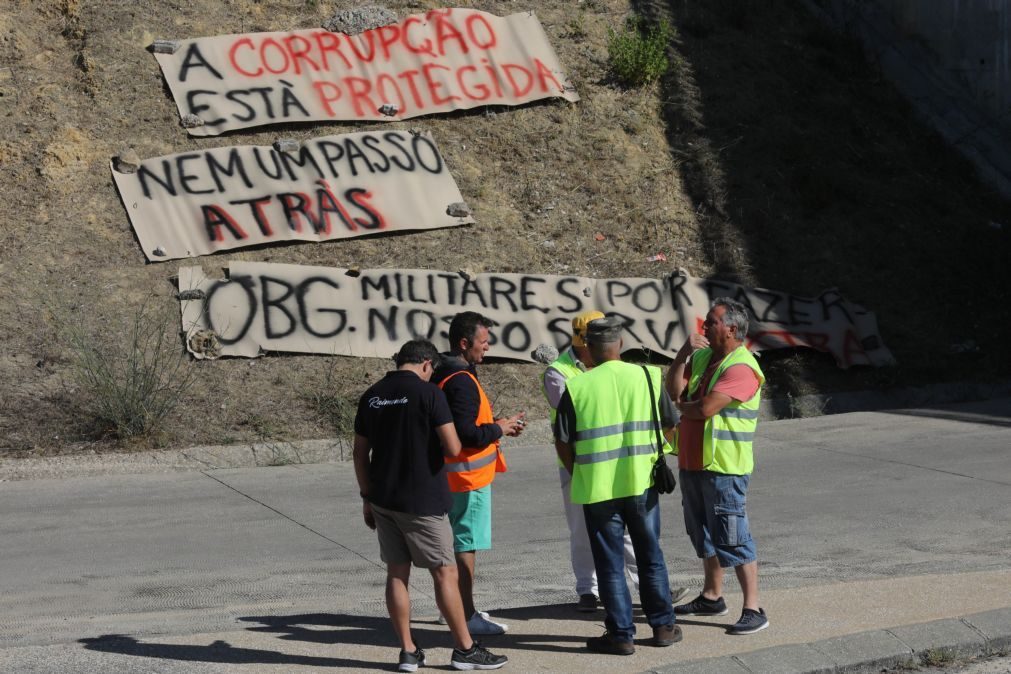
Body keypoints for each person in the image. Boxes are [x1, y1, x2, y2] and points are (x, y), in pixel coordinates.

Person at [353, 338, 508, 671]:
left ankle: (408, 651)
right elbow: (453, 447)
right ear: (426, 364)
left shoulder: (373, 396)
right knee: (444, 572)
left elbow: (359, 452)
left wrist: (367, 497)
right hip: (421, 499)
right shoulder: (429, 393)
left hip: (383, 499)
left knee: (397, 573)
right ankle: (465, 650)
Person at [553, 316, 682, 655]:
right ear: (620, 345)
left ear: (589, 351)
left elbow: (563, 441)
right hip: (642, 484)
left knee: (610, 563)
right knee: (650, 556)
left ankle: (622, 635)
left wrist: (579, 470)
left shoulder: (578, 386)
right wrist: (655, 453)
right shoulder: (647, 376)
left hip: (598, 489)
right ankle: (663, 627)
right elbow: (670, 424)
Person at [664, 297, 769, 635]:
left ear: (732, 329)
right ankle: (712, 597)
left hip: (725, 467)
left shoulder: (742, 367)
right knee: (703, 533)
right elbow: (673, 389)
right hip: (694, 462)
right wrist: (682, 355)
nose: (704, 327)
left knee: (734, 536)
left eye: (711, 322)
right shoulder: (706, 356)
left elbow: (705, 408)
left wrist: (682, 405)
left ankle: (754, 608)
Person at [542, 310, 641, 613]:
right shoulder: (557, 372)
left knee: (625, 529)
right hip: (577, 462)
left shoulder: (608, 367)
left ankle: (643, 585)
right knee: (582, 529)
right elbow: (579, 412)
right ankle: (588, 589)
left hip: (615, 459)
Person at [433, 312, 525, 636]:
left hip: (453, 478)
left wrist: (497, 425)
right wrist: (498, 428)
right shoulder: (461, 380)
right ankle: (466, 614)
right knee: (465, 546)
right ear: (464, 343)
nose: (487, 348)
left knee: (456, 544)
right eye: (483, 342)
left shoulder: (446, 373)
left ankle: (454, 607)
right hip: (468, 480)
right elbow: (466, 433)